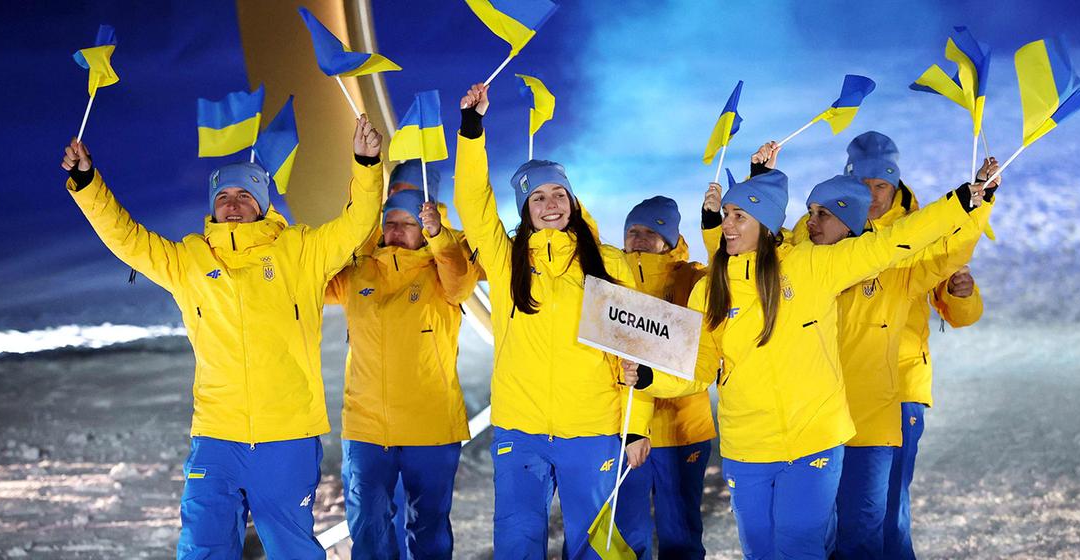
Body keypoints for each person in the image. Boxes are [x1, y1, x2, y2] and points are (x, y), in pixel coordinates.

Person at [623, 163, 997, 559]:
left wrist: (963, 201)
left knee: (799, 549)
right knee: (760, 552)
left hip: (812, 443)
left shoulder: (811, 266)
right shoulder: (711, 288)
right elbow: (698, 369)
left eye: (737, 217)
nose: (726, 225)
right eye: (726, 215)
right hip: (747, 448)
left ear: (765, 225)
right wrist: (649, 377)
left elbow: (893, 243)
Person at [60, 116, 385, 559]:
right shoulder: (188, 260)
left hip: (286, 435)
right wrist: (87, 182)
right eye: (224, 196)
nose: (233, 203)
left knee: (292, 549)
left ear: (263, 203)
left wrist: (367, 165)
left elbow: (357, 223)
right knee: (203, 548)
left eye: (244, 194)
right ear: (212, 205)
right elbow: (127, 239)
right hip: (216, 436)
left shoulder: (301, 251)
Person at [453, 83, 655, 559]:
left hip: (593, 426)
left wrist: (639, 422)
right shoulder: (506, 262)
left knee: (594, 545)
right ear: (524, 209)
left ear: (573, 201)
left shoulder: (607, 263)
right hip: (520, 429)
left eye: (558, 193)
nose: (550, 204)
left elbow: (640, 348)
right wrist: (472, 129)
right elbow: (472, 203)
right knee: (517, 541)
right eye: (537, 197)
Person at [790, 147, 996, 559]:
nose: (872, 194)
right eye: (863, 185)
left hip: (891, 397)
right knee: (820, 527)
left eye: (880, 185)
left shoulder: (908, 245)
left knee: (883, 517)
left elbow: (949, 259)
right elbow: (750, 253)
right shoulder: (806, 247)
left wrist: (978, 204)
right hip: (818, 415)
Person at [326, 186, 479, 559]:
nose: (395, 230)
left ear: (422, 228)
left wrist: (440, 237)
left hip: (431, 427)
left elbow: (461, 282)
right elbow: (310, 280)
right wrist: (358, 229)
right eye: (389, 223)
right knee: (368, 524)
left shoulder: (441, 272)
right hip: (367, 428)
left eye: (407, 223)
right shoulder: (359, 273)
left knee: (428, 526)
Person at [619, 196, 715, 559]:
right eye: (633, 231)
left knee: (680, 534)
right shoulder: (612, 278)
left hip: (683, 428)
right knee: (627, 533)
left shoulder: (695, 279)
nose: (639, 238)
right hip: (625, 429)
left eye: (651, 231)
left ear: (671, 239)